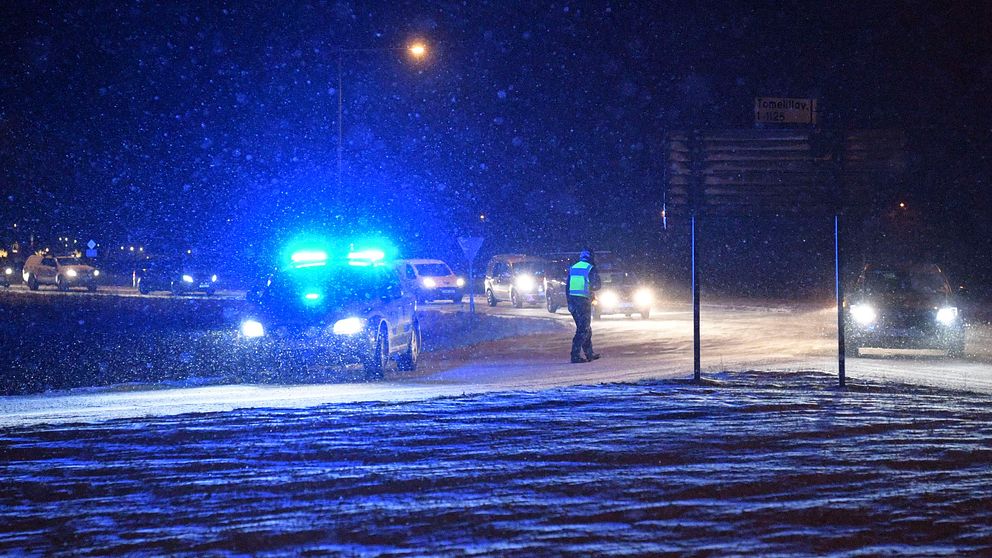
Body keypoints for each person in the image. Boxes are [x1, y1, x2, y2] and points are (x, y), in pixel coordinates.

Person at [567, 249, 601, 363]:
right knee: (583, 329)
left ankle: (589, 353)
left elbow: (567, 287)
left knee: (585, 328)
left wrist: (569, 303)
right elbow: (597, 285)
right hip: (583, 302)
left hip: (573, 302)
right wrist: (591, 290)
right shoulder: (590, 268)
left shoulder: (573, 267)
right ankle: (575, 355)